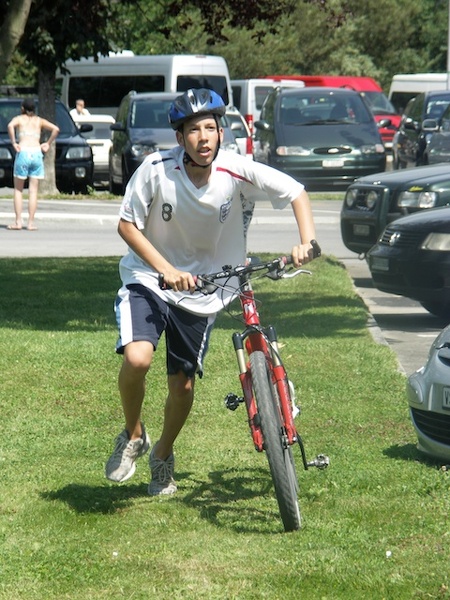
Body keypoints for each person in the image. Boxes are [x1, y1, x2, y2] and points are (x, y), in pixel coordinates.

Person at [105, 88, 318, 496]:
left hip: (205, 290)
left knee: (182, 385)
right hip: (149, 278)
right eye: (193, 130)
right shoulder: (155, 169)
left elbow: (296, 192)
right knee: (137, 357)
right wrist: (167, 270)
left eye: (210, 128)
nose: (203, 137)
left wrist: (306, 241)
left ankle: (162, 454)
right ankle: (133, 434)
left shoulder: (236, 169)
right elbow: (127, 225)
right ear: (180, 137)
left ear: (221, 133)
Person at [7, 98, 60, 231]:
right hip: (36, 153)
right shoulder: (39, 121)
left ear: (22, 108)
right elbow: (56, 129)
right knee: (33, 191)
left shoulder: (19, 119)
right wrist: (48, 143)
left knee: (18, 190)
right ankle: (30, 223)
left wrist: (14, 142)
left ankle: (18, 222)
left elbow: (10, 126)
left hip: (23, 152)